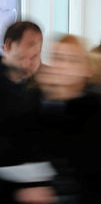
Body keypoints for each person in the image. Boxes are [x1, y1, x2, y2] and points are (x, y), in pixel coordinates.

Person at [36, 35, 101, 203]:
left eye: (72, 60)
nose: (63, 66)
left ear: (86, 70)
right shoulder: (42, 108)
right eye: (59, 58)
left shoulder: (95, 113)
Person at [0, 21, 55, 204]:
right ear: (7, 46)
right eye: (25, 55)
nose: (30, 63)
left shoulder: (41, 86)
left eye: (36, 54)